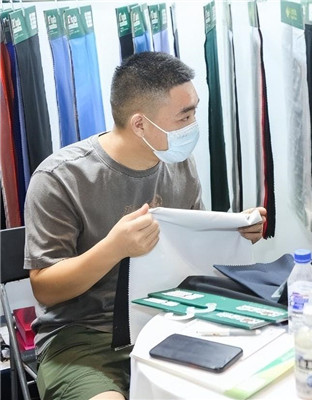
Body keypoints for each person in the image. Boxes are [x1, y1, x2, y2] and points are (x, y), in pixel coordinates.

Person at [23, 52, 266, 400]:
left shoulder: (179, 165)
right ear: (140, 124)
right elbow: (45, 289)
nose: (193, 125)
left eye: (194, 112)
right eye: (185, 116)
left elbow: (192, 250)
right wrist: (114, 248)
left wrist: (235, 230)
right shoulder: (60, 178)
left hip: (169, 322)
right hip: (83, 339)